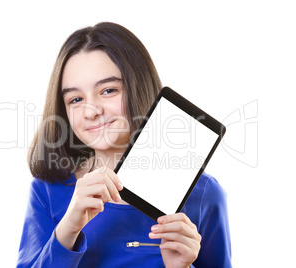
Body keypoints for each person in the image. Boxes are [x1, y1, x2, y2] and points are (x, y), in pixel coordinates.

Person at [17, 22, 232, 268]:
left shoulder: (203, 193)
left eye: (108, 90)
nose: (92, 110)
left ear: (138, 87)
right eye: (76, 99)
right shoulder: (48, 189)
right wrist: (67, 231)